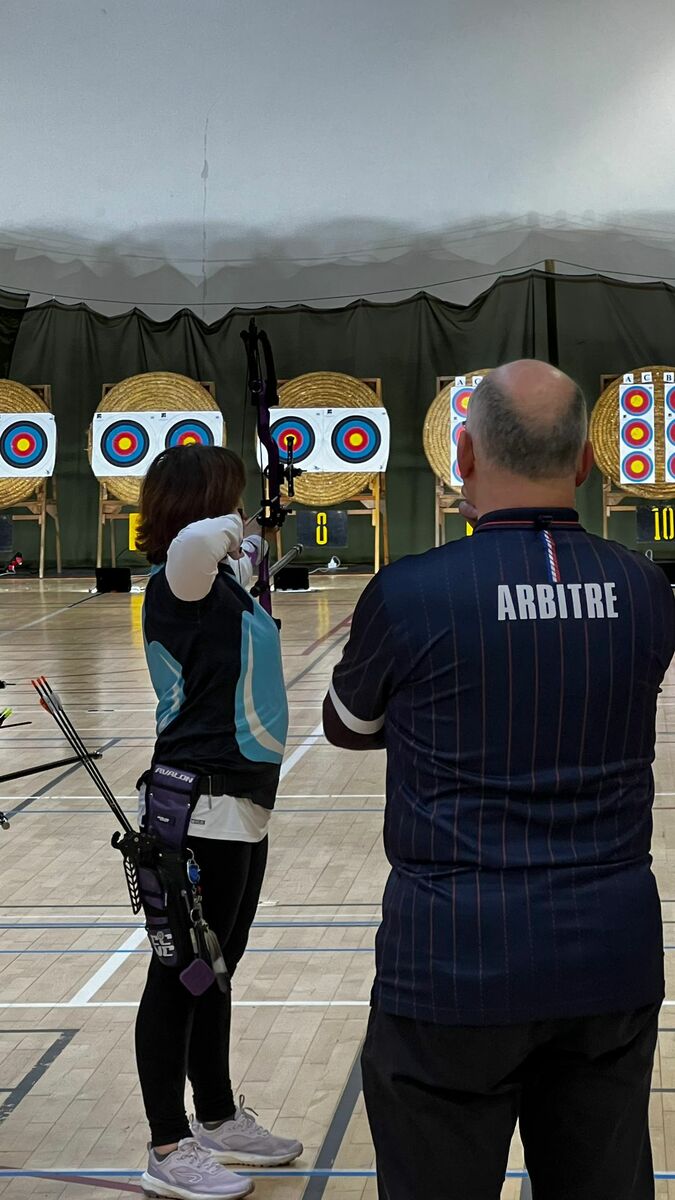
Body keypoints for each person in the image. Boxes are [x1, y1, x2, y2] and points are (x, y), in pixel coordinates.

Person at [323, 360, 675, 1200]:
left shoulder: (409, 592)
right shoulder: (644, 587)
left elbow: (349, 725)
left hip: (452, 961)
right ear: (586, 461)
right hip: (609, 957)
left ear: (464, 455)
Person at [134, 444, 302, 1200]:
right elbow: (206, 541)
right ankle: (168, 1146)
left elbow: (234, 553)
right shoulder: (182, 572)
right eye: (227, 496)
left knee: (216, 968)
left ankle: (218, 1117)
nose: (235, 510)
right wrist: (247, 523)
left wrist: (258, 535)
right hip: (198, 807)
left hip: (239, 804)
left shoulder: (216, 582)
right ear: (201, 503)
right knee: (180, 975)